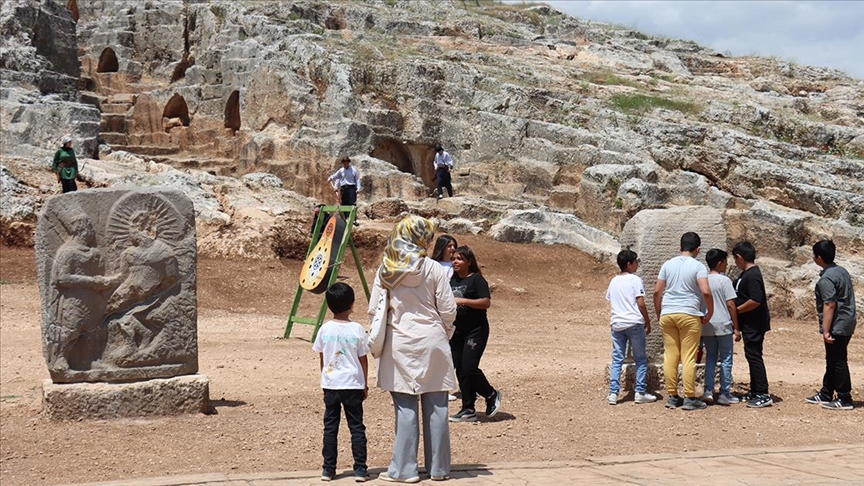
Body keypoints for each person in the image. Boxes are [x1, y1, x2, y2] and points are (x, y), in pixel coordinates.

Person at [369, 215, 457, 483]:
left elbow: (374, 309)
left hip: (400, 343)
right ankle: (439, 468)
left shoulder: (386, 270)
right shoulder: (434, 268)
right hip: (433, 342)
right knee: (438, 406)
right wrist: (443, 332)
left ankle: (404, 470)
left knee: (405, 407)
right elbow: (448, 309)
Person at [312, 282, 369, 482]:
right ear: (352, 304)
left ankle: (328, 469)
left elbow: (322, 357)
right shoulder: (357, 329)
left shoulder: (324, 329)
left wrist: (325, 377)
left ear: (329, 305)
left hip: (331, 384)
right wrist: (364, 384)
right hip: (352, 384)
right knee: (356, 427)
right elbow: (363, 359)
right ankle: (360, 469)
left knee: (330, 427)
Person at [654, 232, 714, 411]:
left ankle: (672, 396)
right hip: (689, 313)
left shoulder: (667, 264)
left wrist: (659, 312)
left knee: (670, 355)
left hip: (668, 313)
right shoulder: (698, 266)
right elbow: (705, 291)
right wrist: (709, 312)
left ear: (680, 247)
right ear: (697, 249)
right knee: (688, 357)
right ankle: (689, 397)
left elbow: (657, 291)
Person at [448, 246, 503, 422]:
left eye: (459, 259)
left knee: (469, 367)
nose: (455, 262)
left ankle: (491, 394)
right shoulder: (452, 281)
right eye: (453, 259)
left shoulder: (476, 280)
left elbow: (486, 302)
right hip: (457, 331)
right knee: (460, 369)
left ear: (469, 262)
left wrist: (463, 301)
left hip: (476, 330)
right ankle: (468, 408)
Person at [806, 240, 857, 411]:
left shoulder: (826, 279)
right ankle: (826, 392)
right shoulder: (841, 271)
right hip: (847, 321)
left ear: (819, 258)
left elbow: (829, 304)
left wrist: (826, 330)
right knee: (832, 359)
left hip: (837, 324)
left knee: (838, 360)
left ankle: (844, 397)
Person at [606, 249, 655, 405]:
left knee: (617, 359)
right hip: (634, 322)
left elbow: (611, 299)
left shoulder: (613, 281)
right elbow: (640, 303)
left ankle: (613, 393)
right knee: (640, 359)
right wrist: (647, 320)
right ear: (629, 264)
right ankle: (640, 392)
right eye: (636, 262)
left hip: (617, 323)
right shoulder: (635, 280)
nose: (637, 264)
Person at [732, 241, 773, 408]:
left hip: (754, 323)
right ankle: (755, 390)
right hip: (749, 323)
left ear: (739, 257)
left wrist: (737, 311)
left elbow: (756, 300)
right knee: (751, 355)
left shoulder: (752, 275)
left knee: (754, 356)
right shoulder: (746, 274)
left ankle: (762, 392)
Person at [702, 249, 742, 406]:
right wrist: (736, 328)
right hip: (723, 324)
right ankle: (725, 392)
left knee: (711, 357)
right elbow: (731, 304)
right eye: (725, 262)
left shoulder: (703, 280)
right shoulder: (724, 281)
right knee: (726, 358)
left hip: (708, 324)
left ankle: (708, 390)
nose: (726, 265)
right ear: (720, 263)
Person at [431, 234, 460, 402]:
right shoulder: (433, 266)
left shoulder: (456, 266)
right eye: (449, 246)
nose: (452, 249)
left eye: (453, 245)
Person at [327, 156, 362, 224]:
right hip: (343, 188)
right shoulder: (341, 170)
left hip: (351, 187)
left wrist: (358, 188)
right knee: (344, 203)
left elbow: (357, 179)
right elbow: (336, 176)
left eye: (347, 162)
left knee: (352, 203)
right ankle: (345, 218)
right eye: (344, 162)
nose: (345, 163)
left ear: (348, 162)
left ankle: (353, 219)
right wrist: (330, 178)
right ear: (343, 163)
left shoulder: (354, 170)